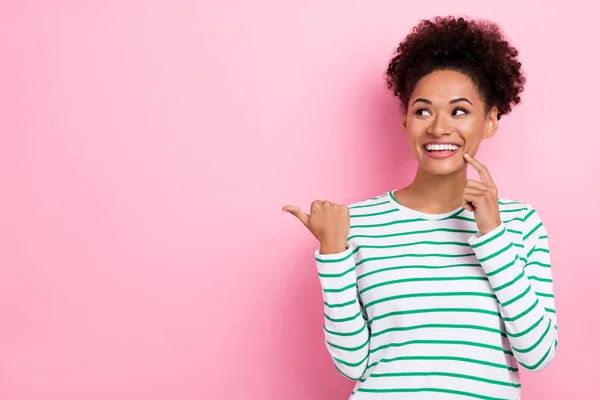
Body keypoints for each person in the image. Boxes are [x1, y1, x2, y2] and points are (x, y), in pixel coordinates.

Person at [283, 15, 557, 400]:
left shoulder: (519, 223)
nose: (439, 128)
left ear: (491, 120)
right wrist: (333, 255)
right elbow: (352, 364)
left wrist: (494, 239)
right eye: (423, 111)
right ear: (405, 122)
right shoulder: (357, 223)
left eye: (459, 111)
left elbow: (538, 353)